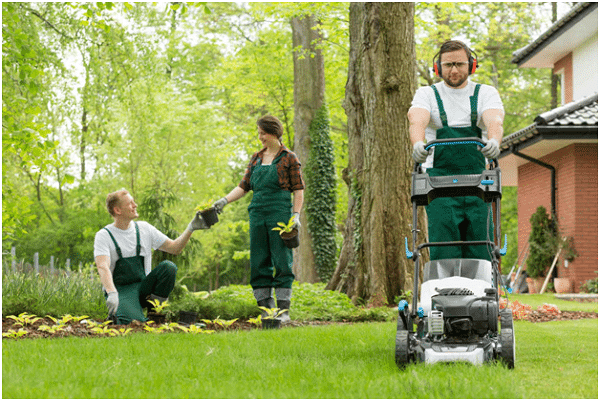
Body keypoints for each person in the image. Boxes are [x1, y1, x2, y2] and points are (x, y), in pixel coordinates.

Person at [408, 39, 504, 261]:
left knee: (481, 247)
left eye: (459, 64)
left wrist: (494, 141)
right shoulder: (427, 94)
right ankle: (444, 292)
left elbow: (494, 120)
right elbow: (416, 120)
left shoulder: (485, 93)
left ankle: (483, 292)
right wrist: (417, 144)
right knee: (443, 247)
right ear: (438, 67)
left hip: (479, 184)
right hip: (437, 186)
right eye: (448, 65)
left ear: (471, 65)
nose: (453, 70)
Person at [212, 115, 304, 322]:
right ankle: (265, 308)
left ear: (273, 132)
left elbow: (298, 190)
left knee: (282, 260)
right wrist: (224, 201)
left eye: (263, 132)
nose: (260, 136)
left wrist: (296, 216)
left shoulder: (289, 157)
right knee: (259, 259)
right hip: (257, 214)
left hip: (280, 214)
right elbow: (243, 187)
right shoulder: (256, 158)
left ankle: (283, 311)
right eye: (260, 132)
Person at [94, 189, 208, 324]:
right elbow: (102, 266)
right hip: (120, 291)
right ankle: (125, 316)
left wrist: (191, 228)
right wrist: (112, 293)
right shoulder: (104, 235)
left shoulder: (145, 229)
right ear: (118, 210)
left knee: (168, 267)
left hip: (144, 288)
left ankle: (155, 314)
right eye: (130, 203)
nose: (135, 205)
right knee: (132, 323)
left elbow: (175, 248)